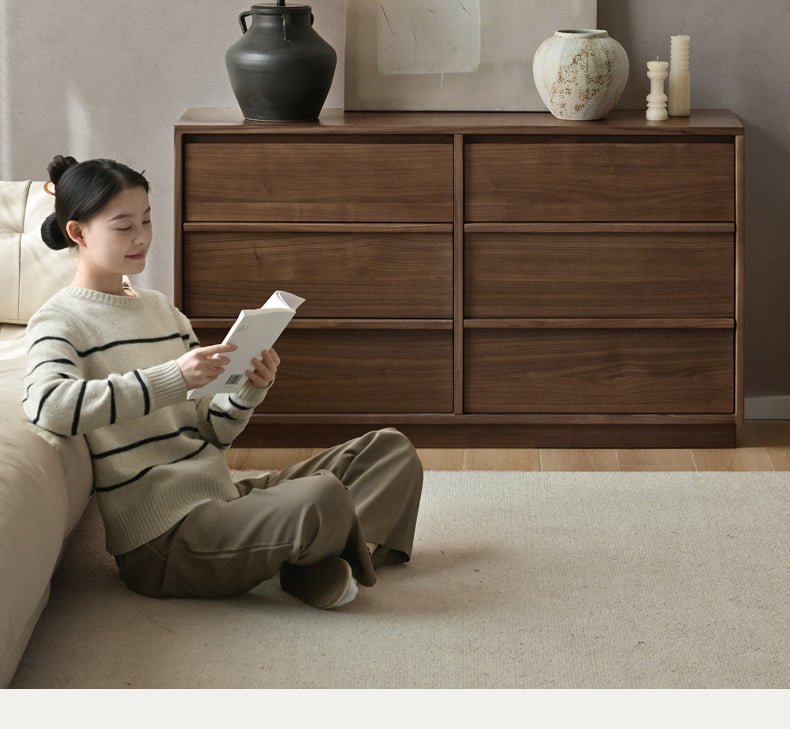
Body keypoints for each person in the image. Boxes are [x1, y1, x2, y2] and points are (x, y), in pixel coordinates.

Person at [23, 155, 423, 609]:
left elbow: (212, 430)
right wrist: (173, 377)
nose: (142, 238)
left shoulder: (162, 310)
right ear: (78, 232)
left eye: (148, 221)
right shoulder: (58, 320)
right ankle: (313, 555)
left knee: (390, 451)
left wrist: (248, 390)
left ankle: (320, 561)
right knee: (323, 496)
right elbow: (48, 405)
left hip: (221, 499)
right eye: (123, 226)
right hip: (163, 541)